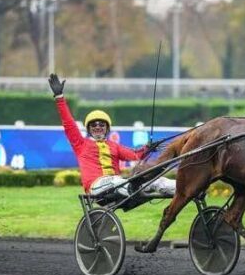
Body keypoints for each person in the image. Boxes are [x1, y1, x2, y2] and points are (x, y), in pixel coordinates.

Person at [48, 73, 175, 202]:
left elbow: (135, 155)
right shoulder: (81, 144)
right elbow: (68, 123)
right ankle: (133, 187)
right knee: (120, 181)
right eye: (94, 125)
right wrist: (59, 98)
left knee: (156, 181)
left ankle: (183, 189)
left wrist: (148, 148)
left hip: (118, 186)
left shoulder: (114, 146)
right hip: (97, 187)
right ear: (89, 129)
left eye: (101, 124)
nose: (98, 127)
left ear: (107, 128)